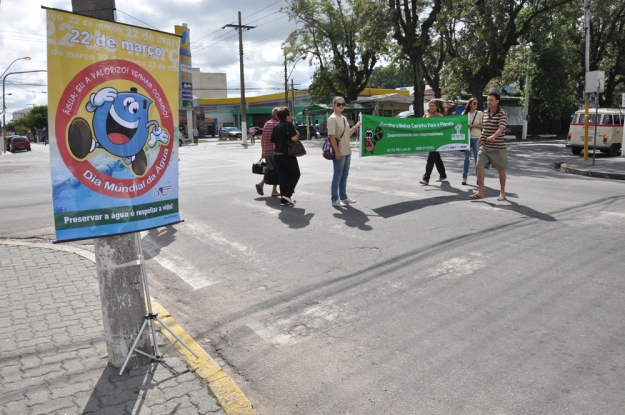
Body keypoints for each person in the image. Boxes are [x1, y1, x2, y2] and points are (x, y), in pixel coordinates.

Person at [470, 92, 508, 201]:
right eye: (487, 100)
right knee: (479, 166)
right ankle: (480, 192)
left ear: (497, 101)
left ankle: (502, 193)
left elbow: (501, 127)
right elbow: (485, 128)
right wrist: (481, 138)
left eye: (491, 100)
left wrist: (494, 136)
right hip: (485, 146)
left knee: (500, 170)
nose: (489, 102)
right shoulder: (485, 113)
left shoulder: (502, 113)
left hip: (498, 147)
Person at [328, 96, 361, 207]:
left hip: (347, 150)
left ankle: (343, 197)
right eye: (338, 104)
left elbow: (347, 134)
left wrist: (356, 126)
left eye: (343, 104)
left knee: (344, 175)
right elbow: (332, 137)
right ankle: (334, 199)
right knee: (337, 175)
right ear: (334, 105)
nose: (341, 106)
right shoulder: (332, 118)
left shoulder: (343, 118)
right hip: (340, 151)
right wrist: (337, 151)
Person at [271, 107, 300, 207]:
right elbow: (293, 138)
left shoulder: (276, 126)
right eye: (289, 114)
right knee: (296, 174)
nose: (290, 116)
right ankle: (287, 195)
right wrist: (297, 134)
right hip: (287, 155)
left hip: (277, 155)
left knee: (283, 177)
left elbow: (274, 142)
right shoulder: (289, 125)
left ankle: (284, 200)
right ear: (286, 116)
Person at [419, 100, 447, 185]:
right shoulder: (426, 115)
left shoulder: (440, 116)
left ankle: (426, 179)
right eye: (430, 106)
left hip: (437, 141)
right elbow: (420, 125)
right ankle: (443, 174)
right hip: (428, 140)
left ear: (437, 107)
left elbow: (444, 128)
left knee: (430, 159)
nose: (431, 107)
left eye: (433, 106)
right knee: (437, 158)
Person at [256, 108, 280, 197]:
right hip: (274, 152)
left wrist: (263, 151)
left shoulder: (267, 123)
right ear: (277, 115)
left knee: (271, 170)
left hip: (266, 151)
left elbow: (262, 138)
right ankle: (273, 190)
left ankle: (265, 186)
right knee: (276, 171)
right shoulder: (277, 124)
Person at [461, 98, 483, 185]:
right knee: (467, 158)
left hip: (477, 138)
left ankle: (479, 178)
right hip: (467, 139)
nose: (476, 105)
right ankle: (464, 177)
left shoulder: (480, 113)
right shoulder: (464, 114)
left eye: (477, 103)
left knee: (477, 159)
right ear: (470, 104)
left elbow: (482, 125)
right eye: (474, 103)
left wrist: (472, 125)